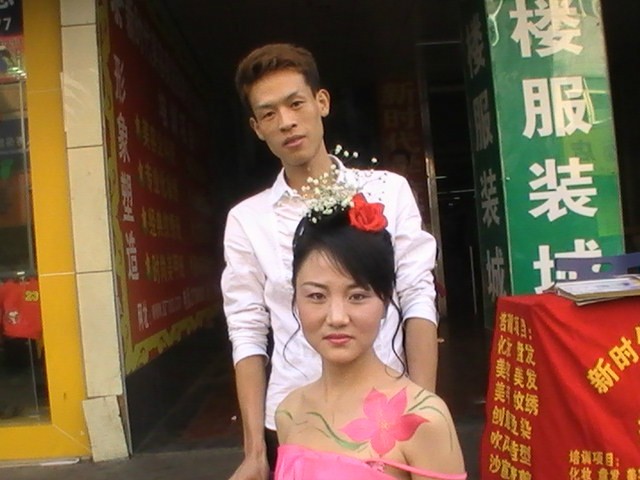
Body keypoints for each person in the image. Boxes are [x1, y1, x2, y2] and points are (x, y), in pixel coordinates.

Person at [222, 43, 439, 479]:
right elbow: (247, 329)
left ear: (321, 102)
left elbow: (418, 296)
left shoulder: (388, 191)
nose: (286, 121)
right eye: (268, 114)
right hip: (292, 419)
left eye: (295, 103)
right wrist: (255, 451)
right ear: (257, 128)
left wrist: (421, 412)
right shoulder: (247, 220)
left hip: (385, 415)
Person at [274, 193, 465, 479]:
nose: (337, 317)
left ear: (386, 300)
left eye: (357, 296)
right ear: (295, 299)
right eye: (316, 296)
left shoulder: (423, 418)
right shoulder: (290, 413)